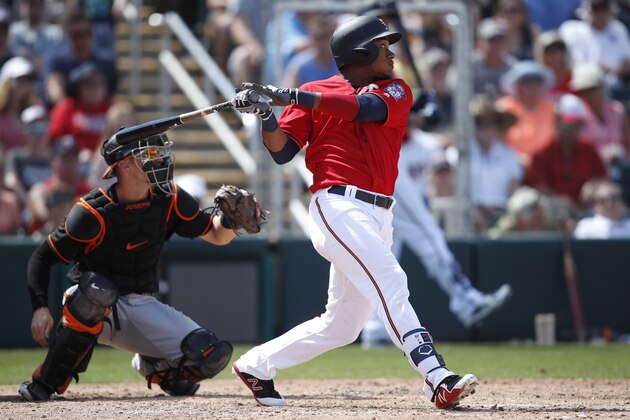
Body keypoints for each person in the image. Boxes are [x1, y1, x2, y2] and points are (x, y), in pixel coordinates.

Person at [229, 15, 478, 410]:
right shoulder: (312, 90)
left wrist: (289, 96)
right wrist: (265, 112)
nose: (391, 52)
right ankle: (437, 376)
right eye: (382, 46)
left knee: (342, 326)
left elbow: (360, 108)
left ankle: (255, 366)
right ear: (360, 52)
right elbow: (281, 151)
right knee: (390, 277)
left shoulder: (396, 90)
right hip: (338, 205)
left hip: (381, 213)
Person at [18, 121, 250, 401]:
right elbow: (42, 257)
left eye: (159, 152)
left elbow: (216, 235)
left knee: (209, 352)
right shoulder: (92, 211)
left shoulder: (170, 197)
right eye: (150, 155)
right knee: (95, 293)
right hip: (91, 306)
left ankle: (155, 366)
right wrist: (39, 307)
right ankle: (45, 382)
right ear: (126, 165)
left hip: (140, 303)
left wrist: (230, 219)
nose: (160, 159)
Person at [360, 121, 513, 349]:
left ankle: (376, 329)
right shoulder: (385, 119)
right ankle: (466, 300)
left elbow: (441, 164)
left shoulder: (426, 143)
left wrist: (445, 138)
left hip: (386, 182)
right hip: (383, 170)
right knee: (428, 235)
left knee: (385, 256)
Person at [526, 93, 608, 212]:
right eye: (567, 124)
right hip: (552, 211)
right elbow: (537, 185)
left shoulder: (588, 149)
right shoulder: (542, 151)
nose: (571, 129)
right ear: (556, 121)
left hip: (586, 210)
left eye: (576, 125)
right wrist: (557, 199)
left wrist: (594, 186)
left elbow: (603, 177)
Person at [468, 94, 524, 233]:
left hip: (502, 217)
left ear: (497, 125)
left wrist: (505, 221)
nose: (485, 128)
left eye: (491, 122)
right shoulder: (459, 153)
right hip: (468, 218)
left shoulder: (510, 155)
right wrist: (476, 215)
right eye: (479, 122)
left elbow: (514, 192)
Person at [26, 135, 90, 234]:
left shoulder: (88, 189)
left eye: (73, 158)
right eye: (65, 159)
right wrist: (57, 208)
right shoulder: (42, 190)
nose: (70, 163)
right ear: (54, 161)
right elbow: (40, 210)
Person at [559, 0, 630, 88]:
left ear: (611, 12)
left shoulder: (618, 29)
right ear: (587, 11)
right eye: (596, 9)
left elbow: (628, 63)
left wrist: (612, 71)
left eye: (604, 10)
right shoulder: (571, 30)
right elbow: (561, 60)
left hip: (613, 85)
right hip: (579, 83)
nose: (600, 14)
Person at [498, 60, 556, 166]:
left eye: (537, 82)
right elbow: (497, 143)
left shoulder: (551, 109)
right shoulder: (505, 107)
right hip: (511, 165)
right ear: (518, 86)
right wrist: (517, 159)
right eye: (527, 82)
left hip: (546, 167)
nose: (533, 86)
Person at [47, 61, 112, 155]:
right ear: (78, 87)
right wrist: (77, 152)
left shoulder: (112, 109)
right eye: (89, 84)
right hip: (73, 162)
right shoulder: (66, 108)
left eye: (100, 83)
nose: (95, 89)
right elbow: (53, 139)